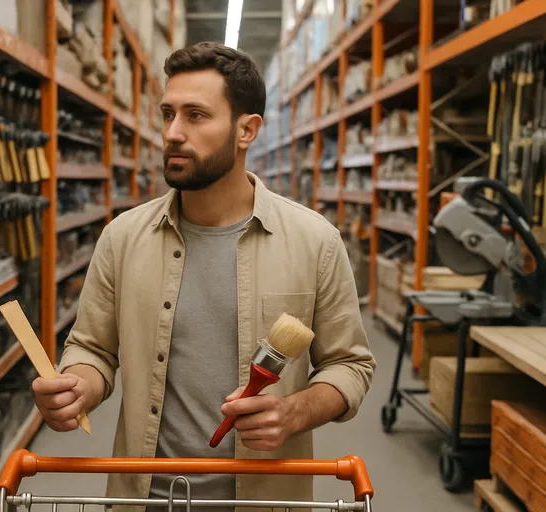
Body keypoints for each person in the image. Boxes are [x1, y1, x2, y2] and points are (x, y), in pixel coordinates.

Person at [31, 41, 376, 510]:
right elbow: (91, 349)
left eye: (195, 115)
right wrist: (77, 388)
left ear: (246, 130)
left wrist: (295, 412)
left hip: (263, 502)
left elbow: (350, 365)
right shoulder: (122, 238)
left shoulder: (316, 242)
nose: (173, 132)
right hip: (144, 498)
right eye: (167, 113)